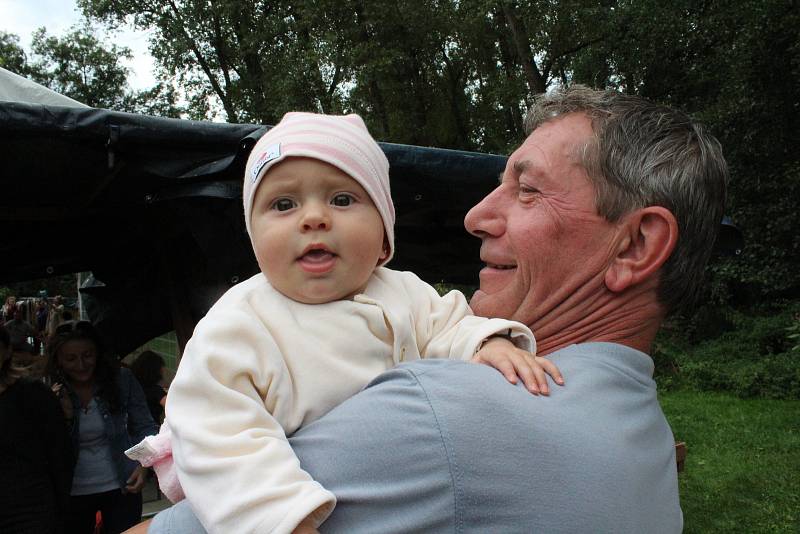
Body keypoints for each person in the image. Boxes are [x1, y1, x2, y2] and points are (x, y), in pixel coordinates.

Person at [139, 85, 727, 534]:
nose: (475, 215)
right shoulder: (645, 433)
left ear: (635, 245)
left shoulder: (448, 415)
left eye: (526, 189)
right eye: (283, 204)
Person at [126, 112, 563, 534]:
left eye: (342, 199)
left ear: (383, 234)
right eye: (283, 204)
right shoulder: (237, 324)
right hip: (293, 504)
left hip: (408, 492)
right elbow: (220, 439)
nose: (313, 218)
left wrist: (490, 345)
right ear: (253, 235)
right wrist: (282, 520)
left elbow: (450, 326)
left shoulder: (404, 291)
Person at [47, 320, 158, 534]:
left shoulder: (122, 379)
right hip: (70, 492)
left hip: (123, 485)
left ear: (98, 353)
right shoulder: (48, 390)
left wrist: (144, 466)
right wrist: (58, 414)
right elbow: (44, 447)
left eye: (88, 355)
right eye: (70, 358)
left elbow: (146, 426)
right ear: (58, 360)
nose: (81, 364)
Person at [0, 325, 73, 533]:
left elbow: (61, 453)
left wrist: (60, 506)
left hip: (30, 511)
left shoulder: (33, 395)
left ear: (6, 352)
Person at [130, 350, 168, 425]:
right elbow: (173, 405)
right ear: (155, 371)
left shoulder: (132, 385)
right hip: (151, 429)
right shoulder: (156, 391)